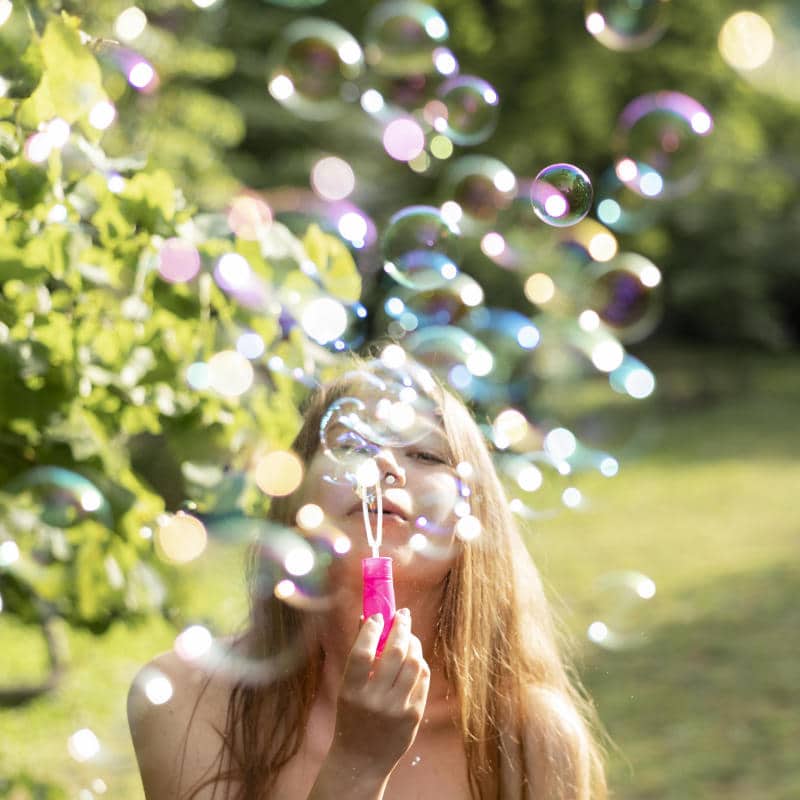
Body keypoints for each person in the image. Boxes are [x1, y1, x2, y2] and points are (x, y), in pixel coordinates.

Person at [128, 356, 608, 799]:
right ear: (296, 501)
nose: (383, 465)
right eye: (350, 446)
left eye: (425, 454)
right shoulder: (185, 698)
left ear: (475, 518)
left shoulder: (530, 737)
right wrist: (356, 762)